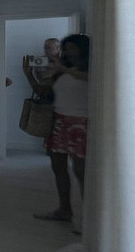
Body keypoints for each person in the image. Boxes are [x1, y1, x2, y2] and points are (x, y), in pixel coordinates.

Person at [30, 34, 90, 224]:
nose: (70, 52)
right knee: (58, 168)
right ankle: (64, 210)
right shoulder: (61, 70)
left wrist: (63, 69)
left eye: (74, 48)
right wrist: (31, 73)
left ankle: (89, 220)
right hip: (59, 121)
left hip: (82, 123)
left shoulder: (93, 68)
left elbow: (90, 79)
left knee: (81, 171)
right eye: (67, 48)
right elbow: (42, 90)